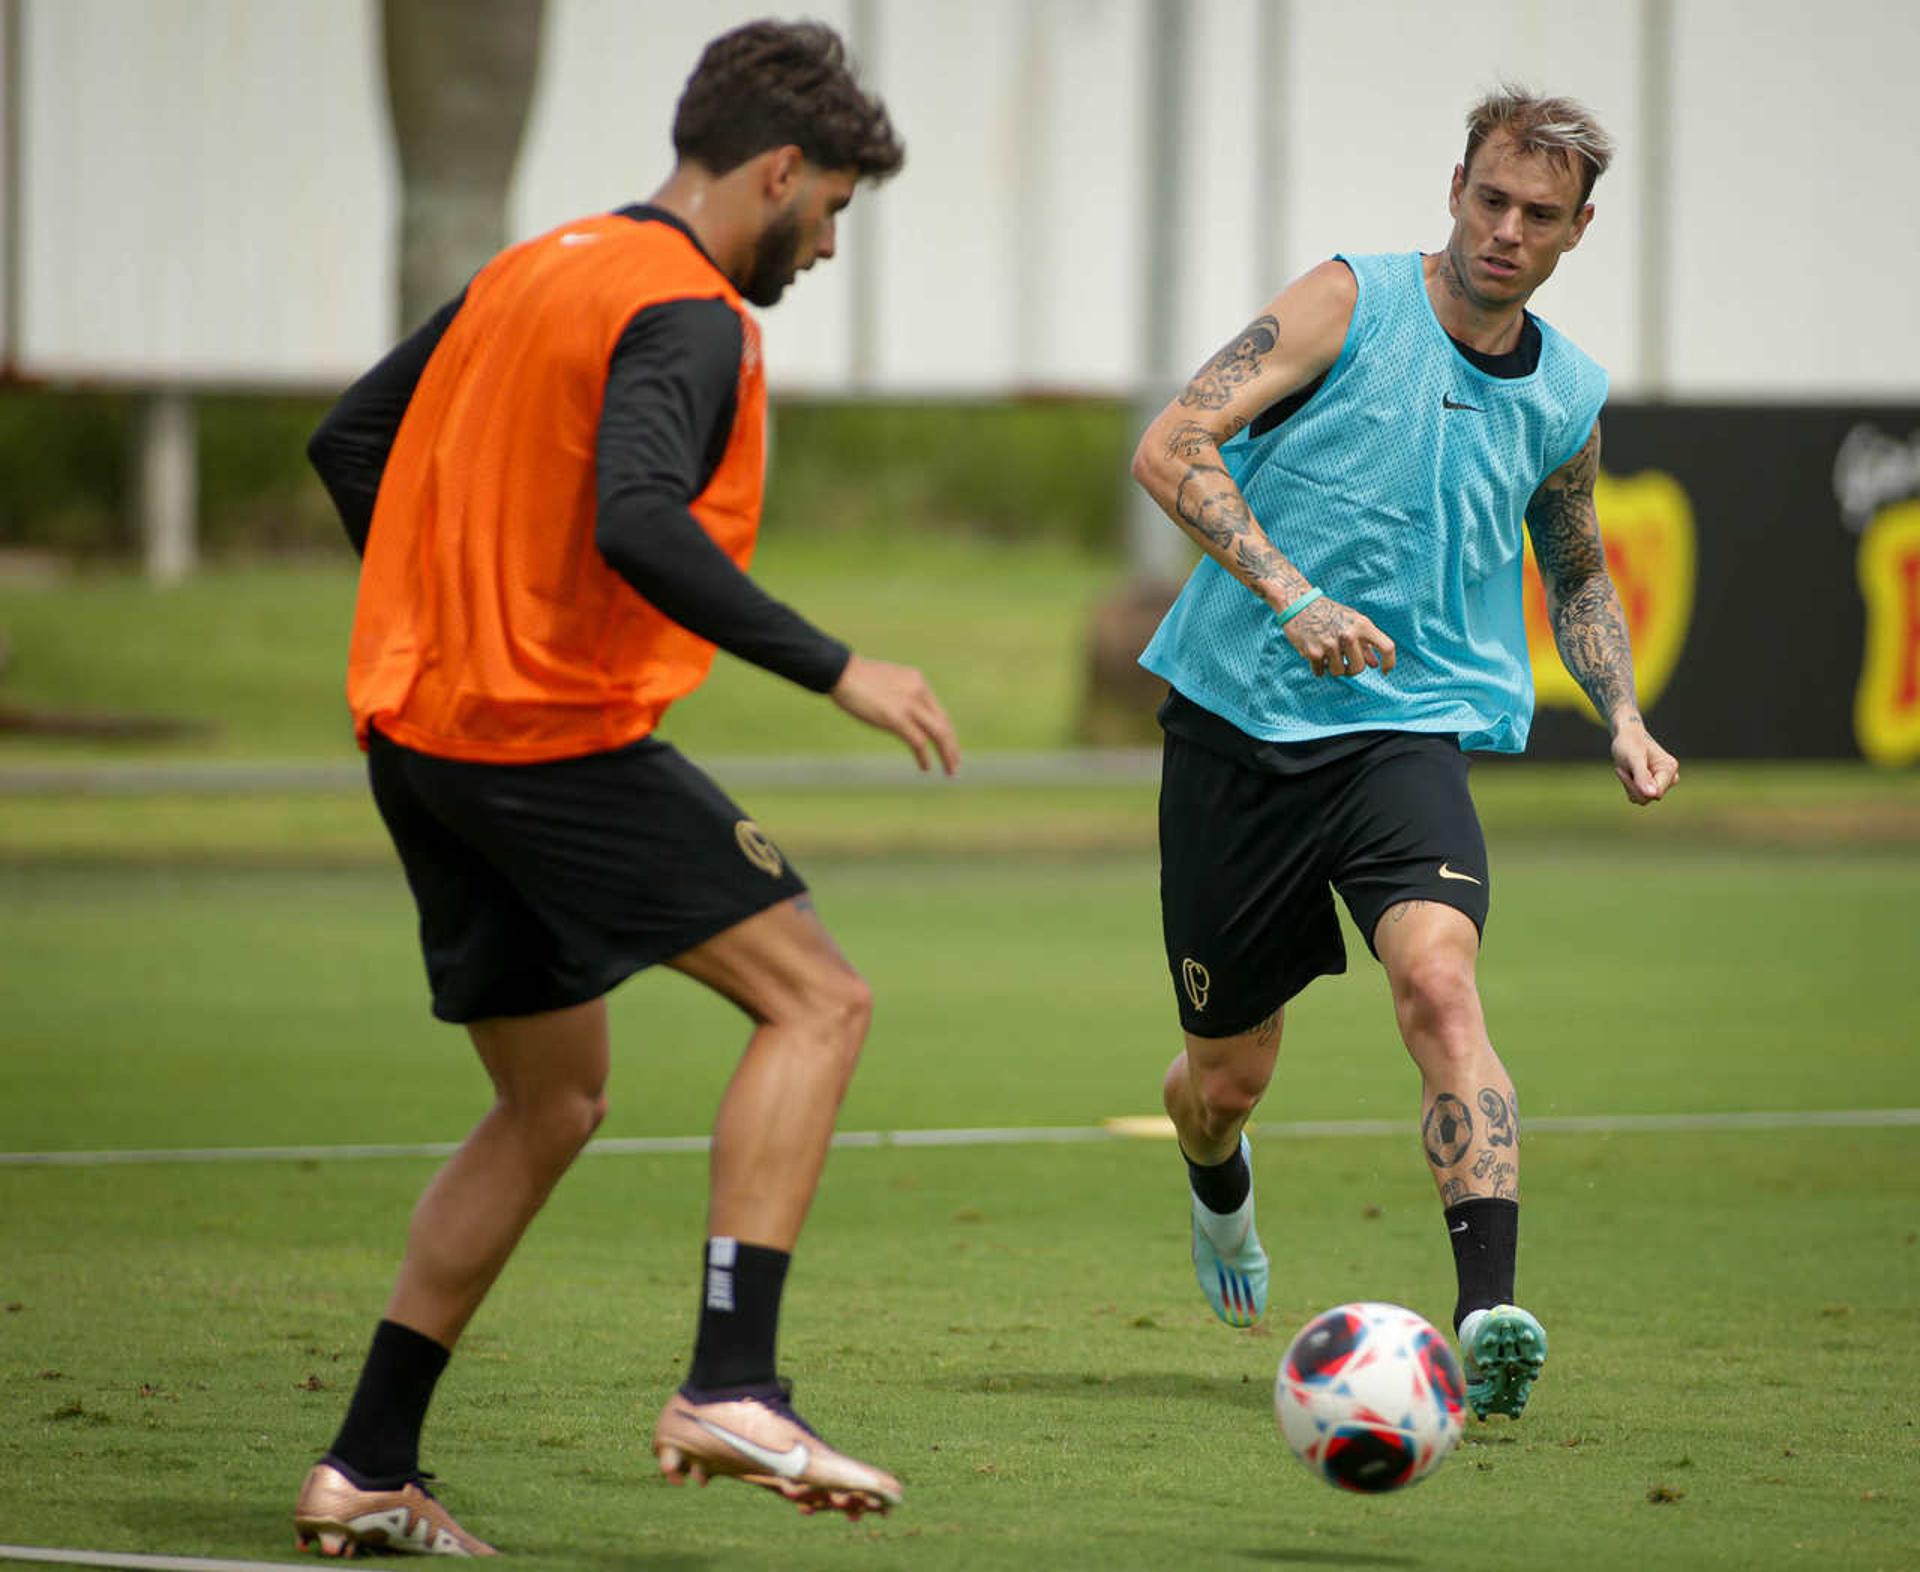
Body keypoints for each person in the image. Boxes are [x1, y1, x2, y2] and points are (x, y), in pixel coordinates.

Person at [294, 20, 957, 1552]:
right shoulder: (689, 313)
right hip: (546, 743)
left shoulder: (540, 266)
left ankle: (368, 1465)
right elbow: (642, 524)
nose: (833, 242)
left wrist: (451, 602)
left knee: (553, 1102)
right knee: (820, 1002)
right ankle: (735, 1379)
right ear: (780, 173)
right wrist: (838, 666)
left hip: (422, 736)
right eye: (837, 209)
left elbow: (351, 442)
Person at [1129, 88, 1677, 1421]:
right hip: (1236, 728)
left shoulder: (1567, 392)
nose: (1505, 229)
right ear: (1456, 185)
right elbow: (1172, 444)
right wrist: (1290, 594)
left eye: (1539, 214)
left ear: (1577, 231)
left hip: (1404, 732)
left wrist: (1620, 709)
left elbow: (1577, 563)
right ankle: (1217, 1183)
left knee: (1441, 989)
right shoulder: (1347, 300)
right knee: (1223, 1079)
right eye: (1490, 198)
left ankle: (1487, 1308)